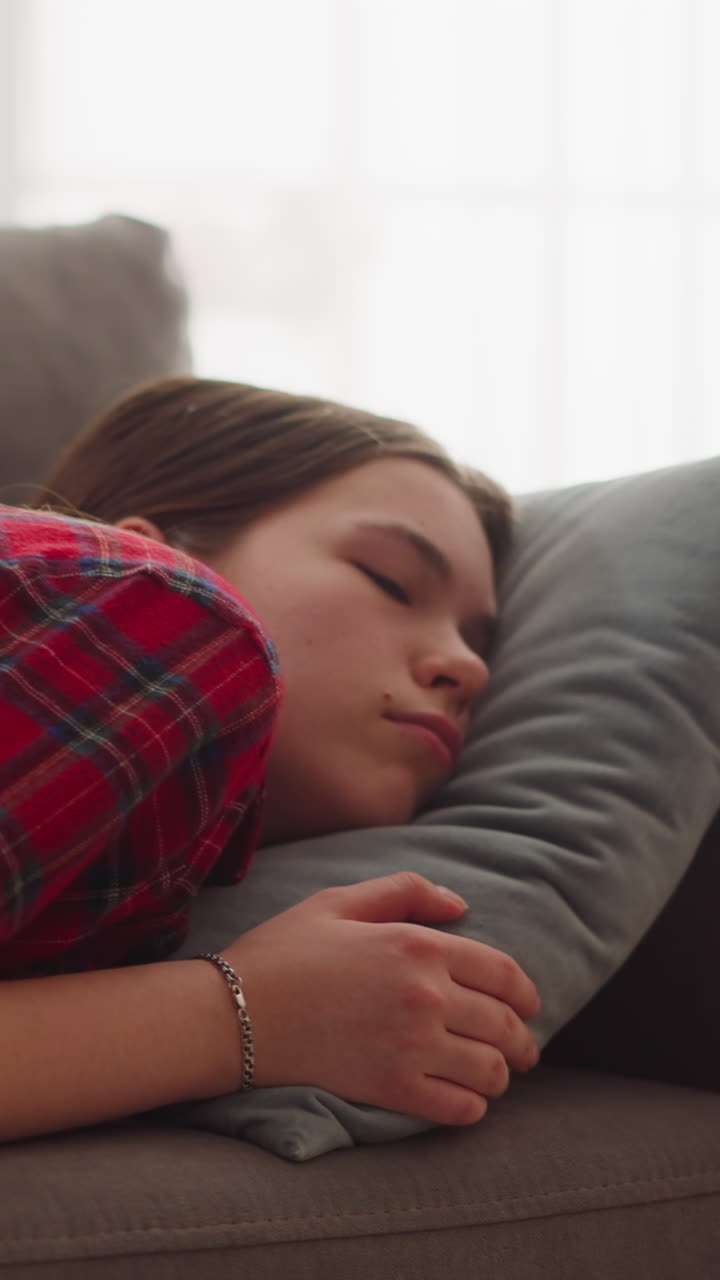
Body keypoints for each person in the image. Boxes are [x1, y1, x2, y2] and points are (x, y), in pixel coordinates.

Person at [0, 376, 540, 1143]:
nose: (468, 669)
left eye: (481, 642)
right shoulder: (169, 608)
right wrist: (244, 1015)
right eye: (391, 580)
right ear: (161, 546)